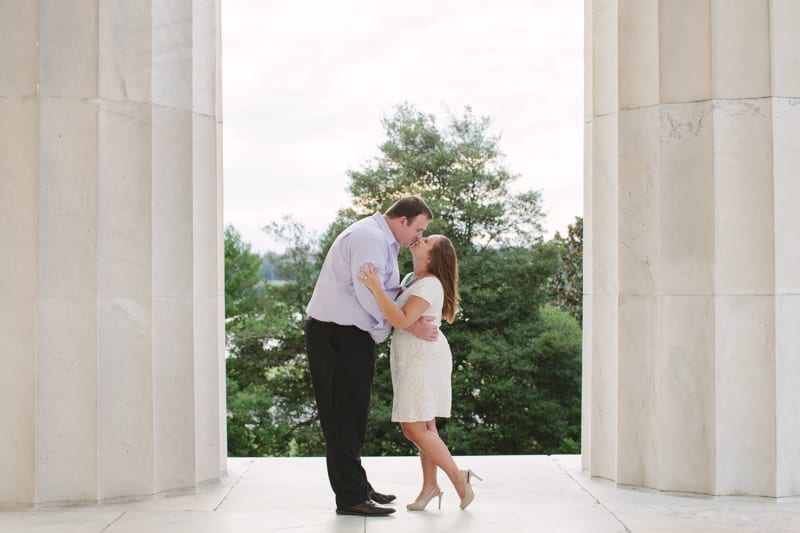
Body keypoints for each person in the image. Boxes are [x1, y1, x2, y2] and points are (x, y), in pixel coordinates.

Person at [305, 195, 438, 517]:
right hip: (337, 335)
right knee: (342, 418)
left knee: (352, 415)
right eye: (418, 229)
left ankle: (358, 486)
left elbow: (384, 290)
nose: (418, 238)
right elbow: (368, 293)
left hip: (346, 335)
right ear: (402, 220)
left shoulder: (381, 239)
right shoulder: (370, 239)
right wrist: (386, 329)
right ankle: (350, 498)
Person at [358, 234, 482, 511]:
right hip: (414, 353)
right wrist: (407, 322)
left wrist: (376, 287)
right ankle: (430, 487)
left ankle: (458, 478)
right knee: (426, 426)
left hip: (423, 357)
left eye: (427, 240)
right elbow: (403, 320)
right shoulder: (411, 279)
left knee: (413, 427)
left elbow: (399, 317)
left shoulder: (430, 284)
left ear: (431, 257)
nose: (421, 238)